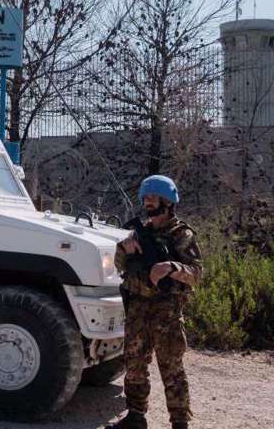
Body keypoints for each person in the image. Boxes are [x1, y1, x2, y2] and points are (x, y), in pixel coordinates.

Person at [109, 175, 202, 429]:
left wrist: (170, 267)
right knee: (134, 364)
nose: (148, 203)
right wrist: (124, 251)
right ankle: (136, 416)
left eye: (153, 198)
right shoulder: (140, 232)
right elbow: (119, 266)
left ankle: (179, 422)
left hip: (166, 312)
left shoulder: (181, 235)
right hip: (138, 308)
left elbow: (196, 274)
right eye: (145, 198)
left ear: (168, 201)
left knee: (171, 369)